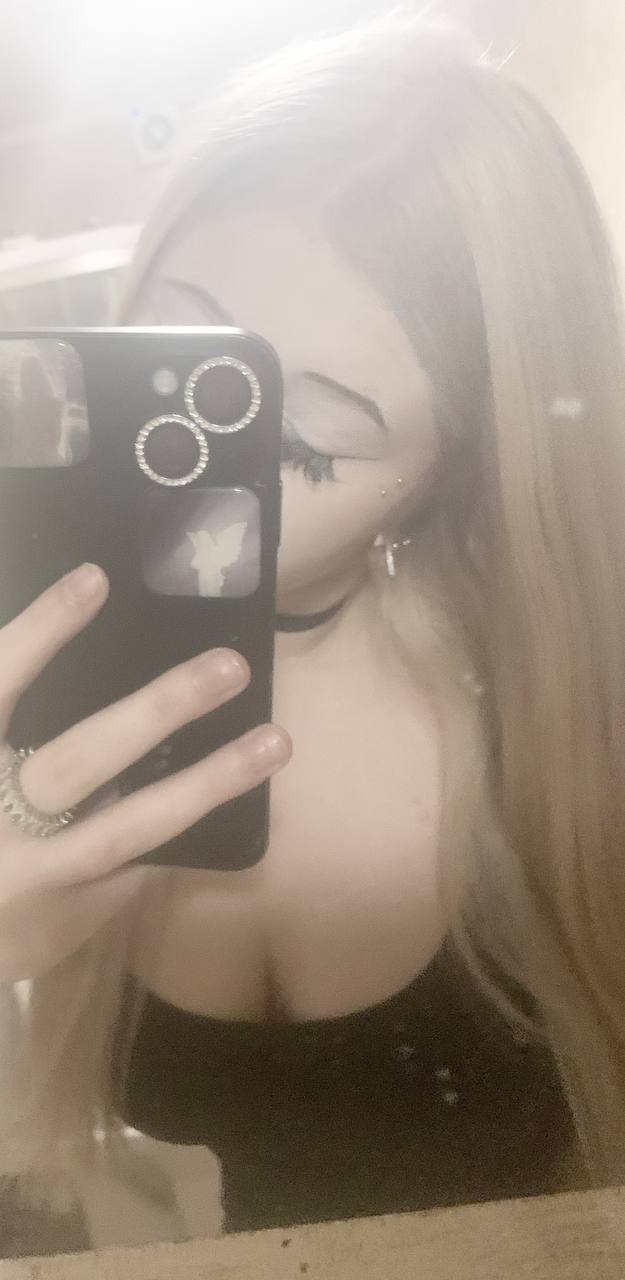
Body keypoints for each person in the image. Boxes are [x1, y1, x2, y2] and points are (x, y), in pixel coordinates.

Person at [2, 8, 625, 1242]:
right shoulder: (19, 645)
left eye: (300, 442)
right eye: (173, 364)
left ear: (455, 474)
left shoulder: (572, 722)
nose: (192, 478)